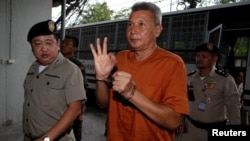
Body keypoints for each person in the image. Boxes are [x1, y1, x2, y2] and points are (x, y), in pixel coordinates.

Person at [89, 2, 189, 141]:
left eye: (141, 24)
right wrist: (101, 78)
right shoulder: (120, 59)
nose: (133, 30)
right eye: (130, 24)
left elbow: (173, 121)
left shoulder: (173, 64)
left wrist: (131, 93)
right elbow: (102, 104)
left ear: (158, 30)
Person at [23, 20, 86, 141]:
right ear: (31, 47)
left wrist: (46, 139)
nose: (44, 49)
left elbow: (75, 109)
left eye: (48, 43)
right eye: (37, 44)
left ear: (57, 44)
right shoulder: (33, 68)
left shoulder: (70, 70)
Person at [180, 43, 241, 141]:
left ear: (215, 59)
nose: (199, 59)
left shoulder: (225, 79)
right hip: (190, 130)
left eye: (204, 56)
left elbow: (233, 107)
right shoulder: (190, 78)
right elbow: (183, 102)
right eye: (198, 56)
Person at [61, 35, 88, 141]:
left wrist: (81, 112)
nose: (63, 45)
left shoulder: (78, 66)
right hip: (58, 107)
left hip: (73, 107)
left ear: (75, 48)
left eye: (67, 43)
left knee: (75, 134)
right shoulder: (54, 63)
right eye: (63, 42)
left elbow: (83, 89)